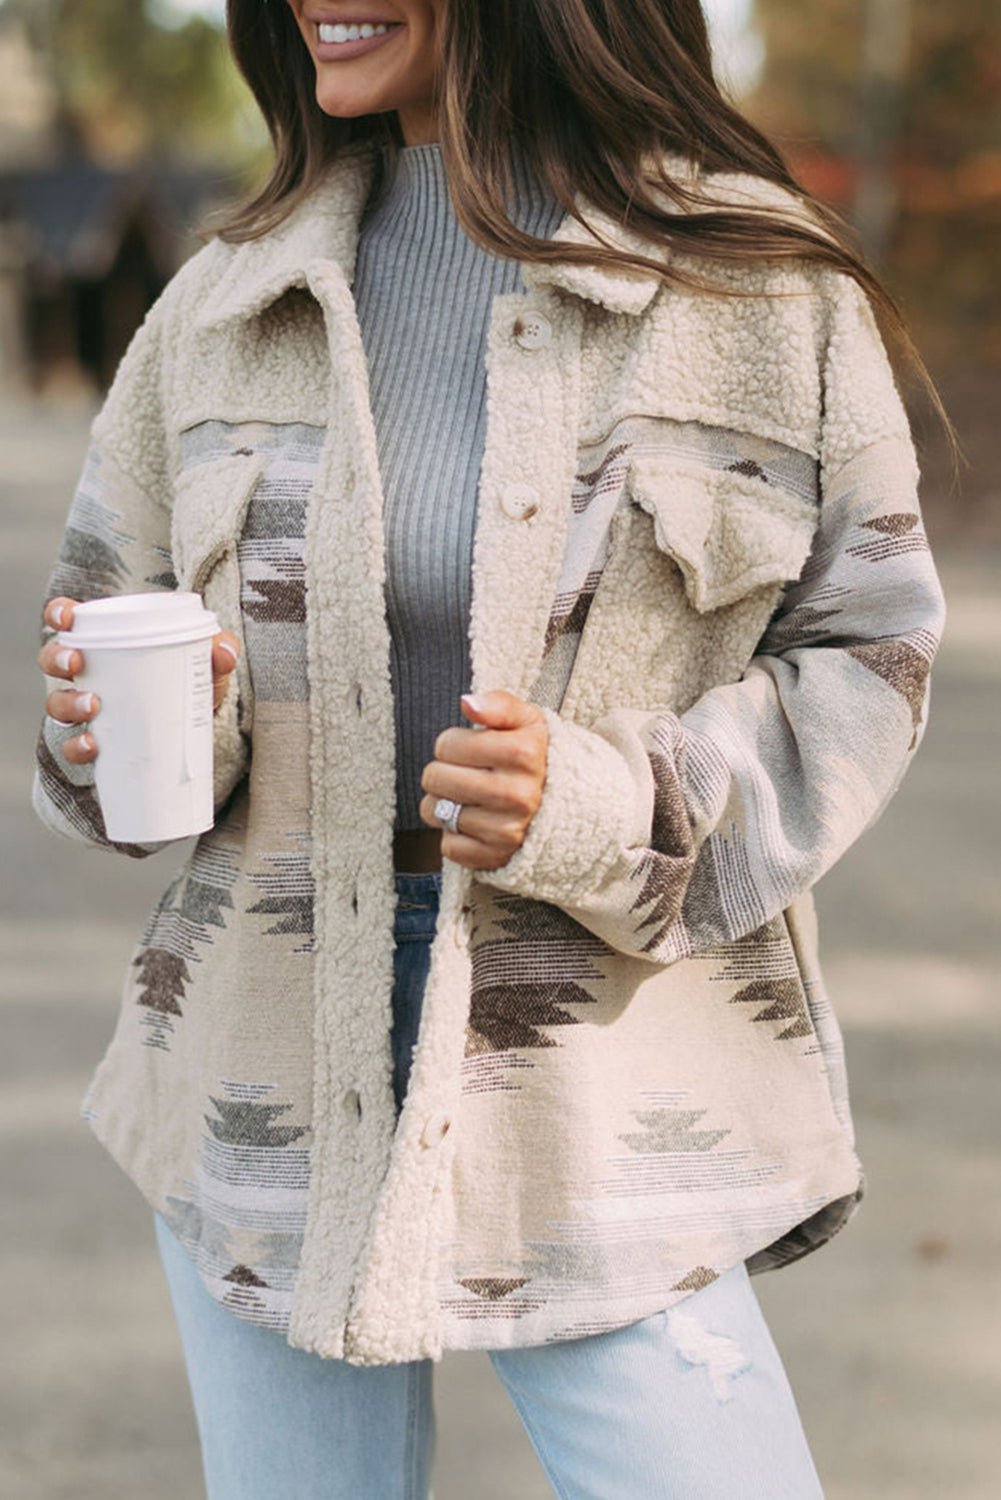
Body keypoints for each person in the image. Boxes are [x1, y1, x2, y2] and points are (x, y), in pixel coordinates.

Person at [33, 1, 946, 1496]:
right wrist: (124, 720)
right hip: (259, 1062)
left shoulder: (755, 289)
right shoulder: (217, 302)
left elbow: (871, 655)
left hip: (603, 1068)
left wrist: (608, 806)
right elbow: (110, 625)